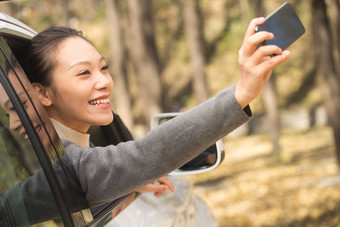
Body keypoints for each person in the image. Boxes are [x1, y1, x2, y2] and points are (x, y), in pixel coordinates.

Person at [19, 16, 289, 209]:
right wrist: (241, 92)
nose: (103, 81)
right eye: (83, 73)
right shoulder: (64, 166)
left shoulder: (56, 160)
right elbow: (148, 153)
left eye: (103, 68)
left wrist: (124, 183)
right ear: (42, 93)